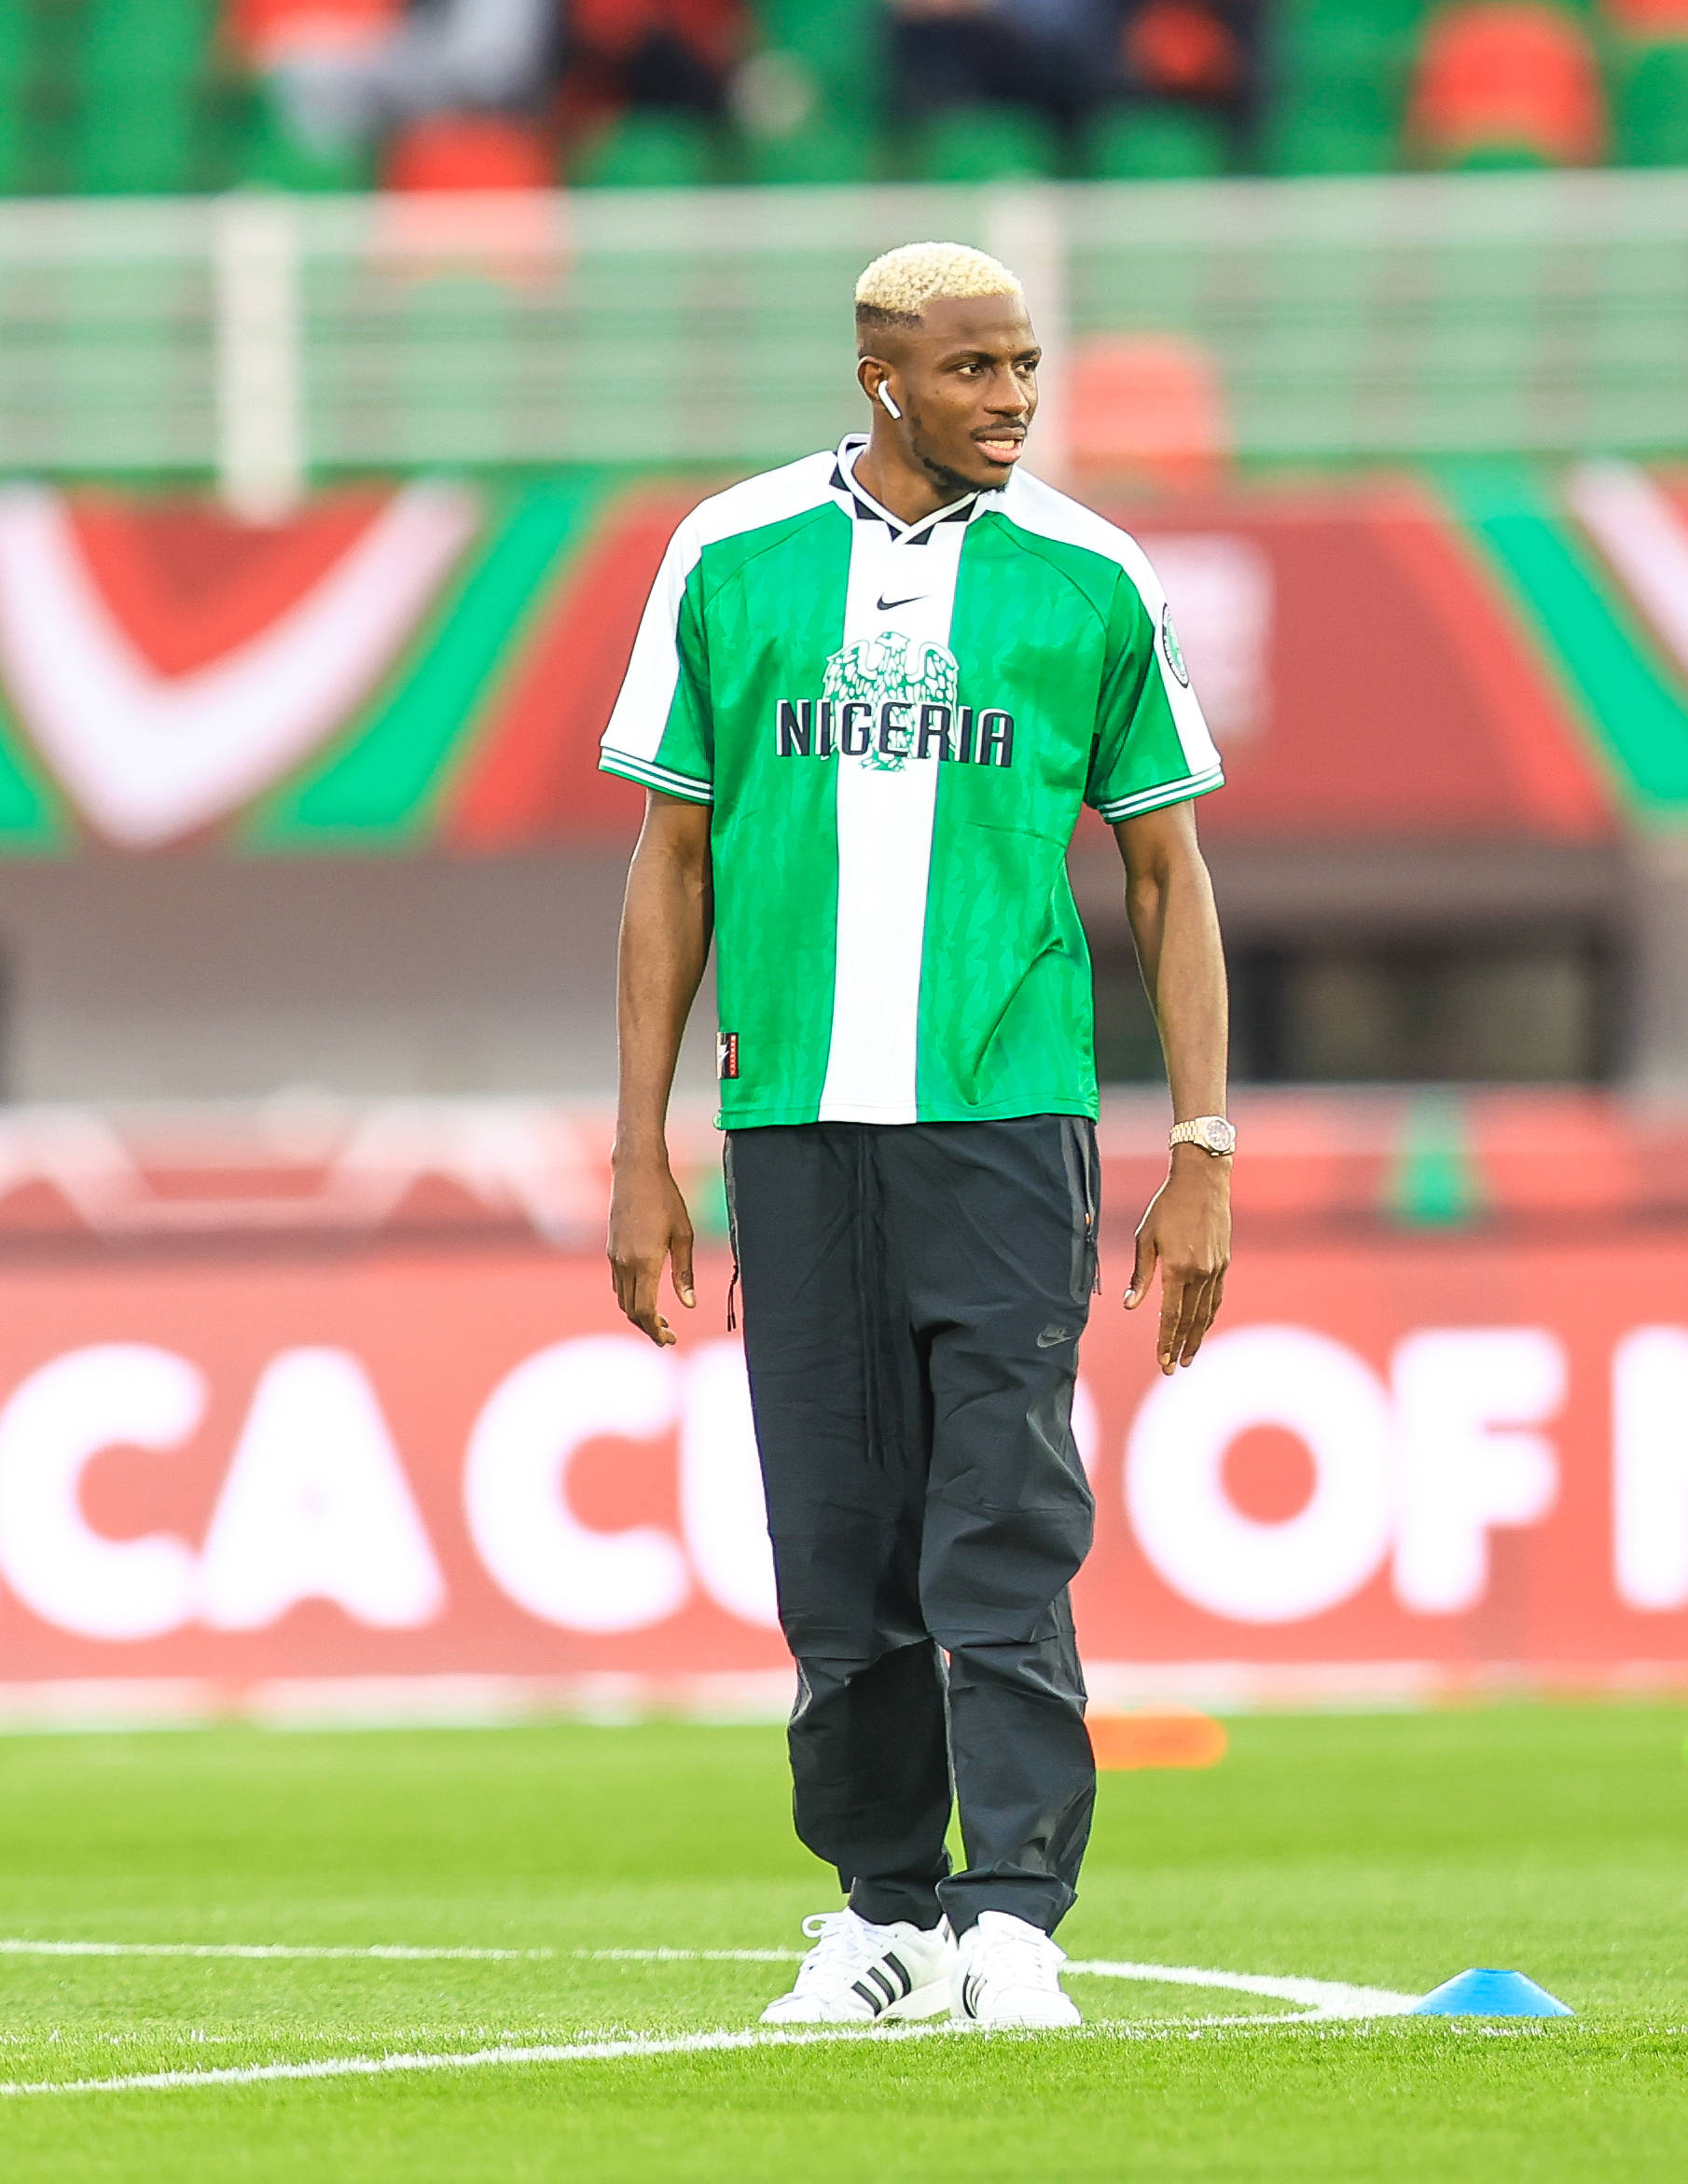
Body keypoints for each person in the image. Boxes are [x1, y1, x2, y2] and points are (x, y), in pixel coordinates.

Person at [602, 242, 1232, 2030]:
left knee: (1003, 1517)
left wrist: (1203, 1142)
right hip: (789, 1124)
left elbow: (1167, 874)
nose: (1013, 399)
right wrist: (643, 1145)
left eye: (1026, 366)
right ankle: (880, 1909)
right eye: (974, 370)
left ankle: (1015, 1911)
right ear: (880, 375)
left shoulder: (1090, 574)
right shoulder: (727, 555)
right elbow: (669, 862)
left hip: (1005, 1116)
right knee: (835, 1534)